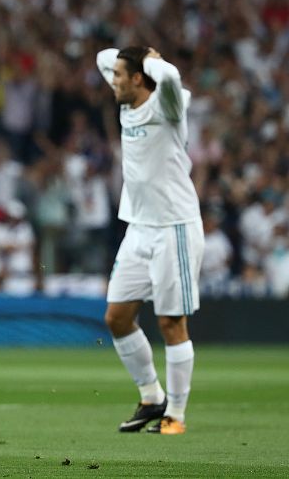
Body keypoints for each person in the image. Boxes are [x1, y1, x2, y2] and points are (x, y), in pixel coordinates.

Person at [96, 46, 203, 435]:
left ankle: (175, 414)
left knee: (171, 322)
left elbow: (170, 78)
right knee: (117, 316)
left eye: (121, 76)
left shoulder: (169, 106)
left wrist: (153, 61)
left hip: (174, 225)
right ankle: (150, 396)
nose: (113, 80)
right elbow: (103, 57)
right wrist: (144, 55)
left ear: (139, 78)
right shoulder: (128, 104)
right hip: (138, 226)